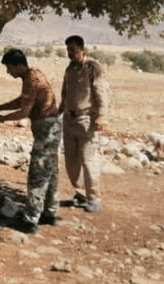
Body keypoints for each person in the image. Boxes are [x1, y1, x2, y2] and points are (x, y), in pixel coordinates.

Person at [0, 48, 62, 235]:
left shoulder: (31, 79)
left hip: (46, 129)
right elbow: (23, 101)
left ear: (19, 66)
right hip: (51, 127)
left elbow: (24, 112)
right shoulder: (34, 75)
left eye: (10, 68)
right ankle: (50, 213)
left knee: (38, 173)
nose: (8, 72)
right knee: (50, 172)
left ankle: (30, 220)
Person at [59, 34, 110, 212]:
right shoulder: (69, 69)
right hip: (69, 120)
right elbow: (64, 91)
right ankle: (80, 194)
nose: (69, 53)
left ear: (81, 49)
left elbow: (101, 92)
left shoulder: (92, 68)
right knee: (71, 161)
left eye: (72, 49)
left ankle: (94, 197)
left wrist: (102, 115)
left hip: (86, 120)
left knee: (89, 160)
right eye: (67, 50)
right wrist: (58, 110)